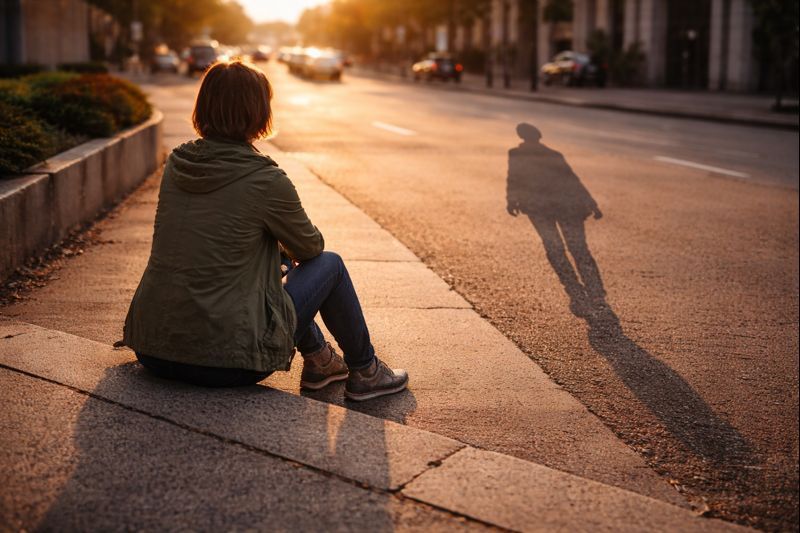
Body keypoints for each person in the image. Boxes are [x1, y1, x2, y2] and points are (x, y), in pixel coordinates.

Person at [123, 60, 408, 401]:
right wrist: (280, 251)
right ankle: (366, 371)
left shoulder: (177, 164)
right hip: (227, 363)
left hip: (154, 348)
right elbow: (310, 247)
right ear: (259, 112)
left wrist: (272, 255)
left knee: (271, 263)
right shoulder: (265, 179)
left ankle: (320, 360)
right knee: (329, 264)